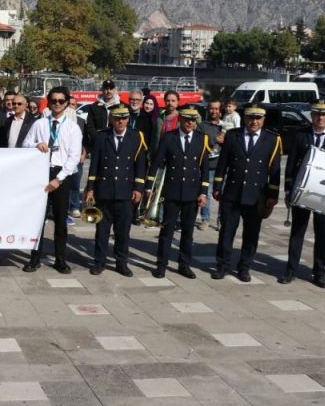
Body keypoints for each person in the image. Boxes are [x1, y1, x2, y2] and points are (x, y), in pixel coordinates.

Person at [280, 100, 325, 288]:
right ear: (311, 116)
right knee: (297, 232)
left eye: (324, 114)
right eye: (317, 114)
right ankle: (291, 270)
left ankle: (319, 272)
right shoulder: (300, 135)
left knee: (322, 234)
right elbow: (291, 164)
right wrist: (288, 192)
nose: (321, 117)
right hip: (303, 192)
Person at [211, 105, 282, 282]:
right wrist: (217, 186)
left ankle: (244, 267)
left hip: (256, 195)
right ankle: (223, 265)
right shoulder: (232, 136)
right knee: (227, 231)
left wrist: (273, 195)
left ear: (263, 120)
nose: (254, 121)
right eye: (251, 118)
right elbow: (223, 162)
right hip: (232, 193)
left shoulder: (272, 139)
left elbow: (275, 169)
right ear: (244, 118)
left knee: (251, 234)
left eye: (258, 118)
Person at [21, 86, 83, 274]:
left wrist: (59, 179)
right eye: (53, 101)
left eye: (61, 101)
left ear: (66, 104)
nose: (57, 104)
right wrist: (35, 145)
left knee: (60, 220)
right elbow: (24, 145)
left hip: (61, 176)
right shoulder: (40, 124)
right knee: (37, 219)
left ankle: (60, 259)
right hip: (40, 173)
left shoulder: (73, 128)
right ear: (49, 102)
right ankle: (35, 258)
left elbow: (74, 158)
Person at [147, 106, 209, 279]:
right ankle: (161, 264)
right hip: (172, 191)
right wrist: (148, 187)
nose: (190, 123)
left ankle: (184, 264)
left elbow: (204, 169)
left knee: (188, 232)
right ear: (180, 119)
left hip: (192, 193)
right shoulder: (169, 137)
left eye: (193, 120)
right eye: (186, 119)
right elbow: (157, 161)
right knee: (167, 231)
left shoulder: (201, 139)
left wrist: (203, 192)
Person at [86, 103, 147, 277]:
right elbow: (95, 164)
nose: (120, 122)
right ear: (111, 119)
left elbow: (140, 165)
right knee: (102, 230)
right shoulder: (101, 137)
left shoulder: (136, 137)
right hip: (104, 191)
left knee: (123, 231)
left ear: (128, 119)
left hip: (125, 191)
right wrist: (90, 187)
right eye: (117, 118)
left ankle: (122, 262)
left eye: (124, 118)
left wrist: (139, 188)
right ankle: (99, 262)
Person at [197, 100, 224, 230]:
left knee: (222, 194)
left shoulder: (227, 125)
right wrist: (215, 140)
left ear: (221, 110)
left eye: (216, 109)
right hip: (208, 166)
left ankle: (221, 220)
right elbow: (199, 142)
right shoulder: (202, 126)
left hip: (223, 166)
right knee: (206, 193)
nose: (214, 111)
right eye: (211, 109)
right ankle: (205, 219)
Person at [84, 79, 118, 156]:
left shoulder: (121, 105)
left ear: (115, 90)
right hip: (98, 143)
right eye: (106, 89)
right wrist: (97, 138)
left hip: (116, 143)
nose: (108, 91)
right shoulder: (94, 106)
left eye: (111, 89)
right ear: (102, 90)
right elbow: (90, 126)